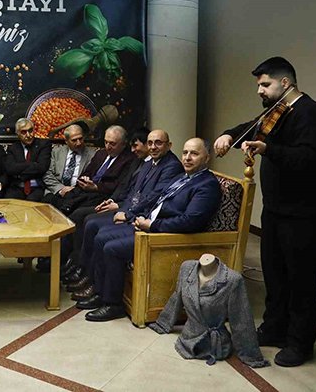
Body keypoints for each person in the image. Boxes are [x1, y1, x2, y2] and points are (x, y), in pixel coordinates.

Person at [213, 56, 316, 367]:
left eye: (265, 84)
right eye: (259, 85)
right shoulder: (277, 111)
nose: (260, 90)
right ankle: (274, 328)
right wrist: (229, 134)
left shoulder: (311, 114)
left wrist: (269, 149)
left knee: (301, 281)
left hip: (305, 214)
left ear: (285, 83)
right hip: (277, 210)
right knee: (275, 274)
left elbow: (307, 160)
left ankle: (300, 344)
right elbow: (251, 127)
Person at [79, 138, 221, 322]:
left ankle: (113, 304)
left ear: (207, 157)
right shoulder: (182, 177)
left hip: (164, 235)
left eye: (194, 154)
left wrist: (152, 225)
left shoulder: (207, 185)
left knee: (111, 248)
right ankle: (100, 292)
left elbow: (191, 222)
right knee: (101, 237)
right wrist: (133, 216)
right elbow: (156, 200)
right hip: (147, 224)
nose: (187, 158)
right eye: (185, 152)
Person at [64, 129, 183, 289]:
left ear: (169, 145)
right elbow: (133, 192)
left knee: (95, 227)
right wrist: (122, 209)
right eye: (150, 143)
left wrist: (126, 214)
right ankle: (86, 274)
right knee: (90, 223)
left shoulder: (172, 166)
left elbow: (153, 197)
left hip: (142, 217)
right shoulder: (149, 162)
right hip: (130, 210)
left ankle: (94, 283)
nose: (153, 147)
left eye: (158, 143)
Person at [42, 124, 95, 210]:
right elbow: (47, 174)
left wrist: (74, 190)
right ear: (66, 141)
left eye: (80, 139)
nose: (79, 143)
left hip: (77, 194)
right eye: (74, 140)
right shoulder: (56, 152)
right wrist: (61, 189)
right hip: (56, 191)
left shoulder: (93, 155)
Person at [5, 118, 52, 201]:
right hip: (17, 186)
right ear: (17, 134)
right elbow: (10, 169)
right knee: (10, 202)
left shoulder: (43, 144)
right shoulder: (12, 148)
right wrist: (33, 164)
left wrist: (19, 173)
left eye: (30, 131)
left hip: (37, 187)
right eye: (23, 132)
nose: (28, 135)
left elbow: (42, 167)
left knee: (32, 202)